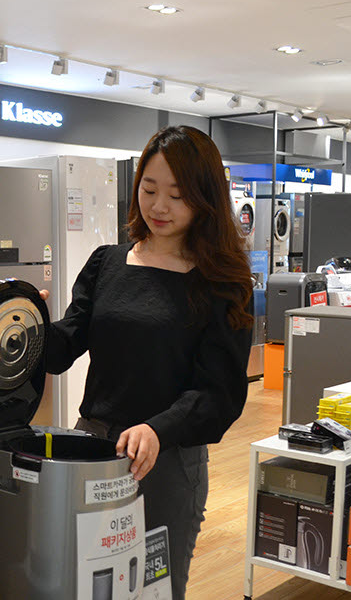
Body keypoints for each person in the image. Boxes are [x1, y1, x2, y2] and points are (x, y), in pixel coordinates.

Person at [43, 125, 253, 600]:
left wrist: (158, 429)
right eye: (149, 189)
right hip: (91, 450)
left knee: (152, 589)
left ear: (206, 200)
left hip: (167, 461)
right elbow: (63, 347)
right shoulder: (107, 263)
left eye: (177, 195)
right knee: (83, 585)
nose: (158, 206)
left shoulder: (223, 283)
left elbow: (219, 393)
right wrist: (24, 322)